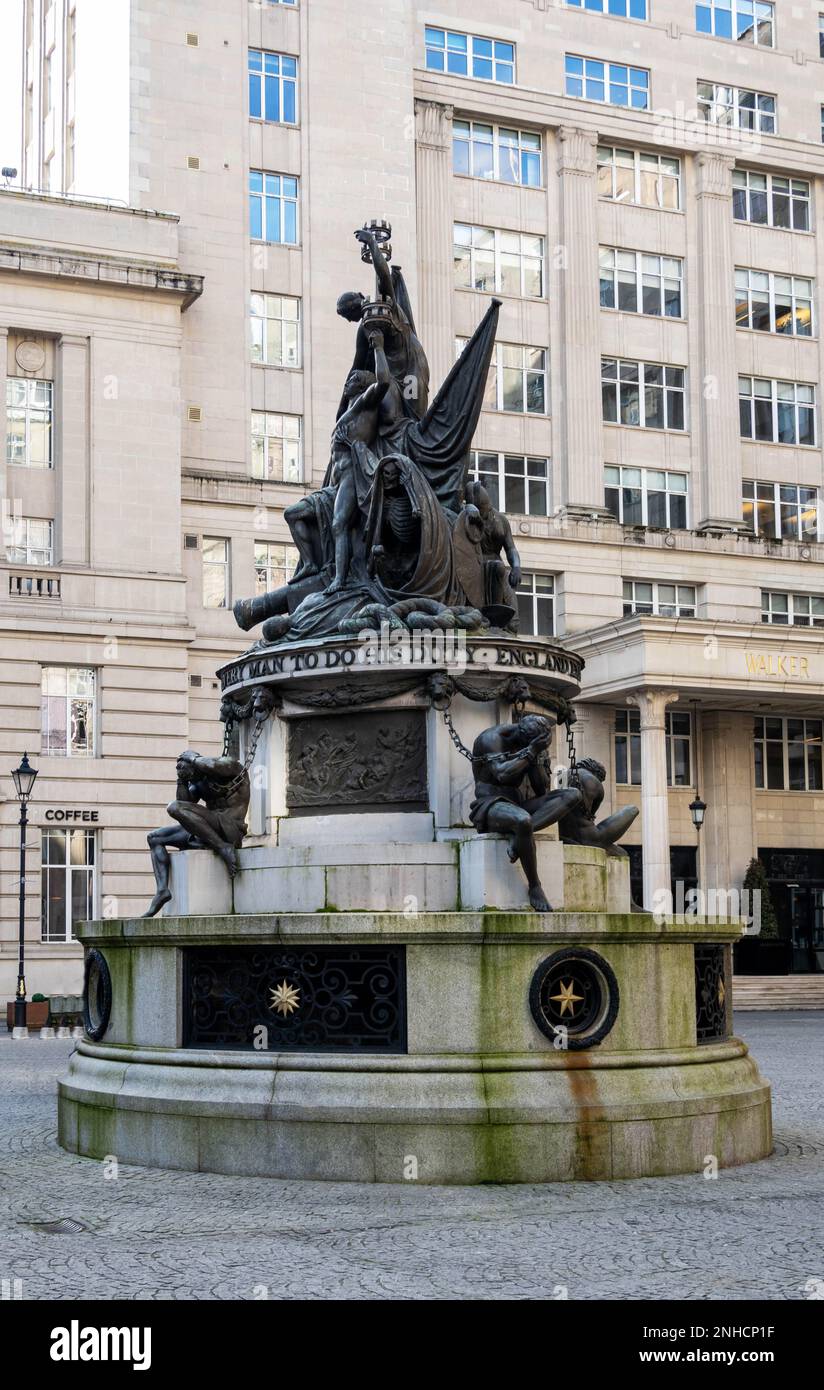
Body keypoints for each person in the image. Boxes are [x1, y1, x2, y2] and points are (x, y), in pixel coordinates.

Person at [469, 716, 582, 913]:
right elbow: (502, 774)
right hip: (490, 804)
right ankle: (535, 886)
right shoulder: (492, 739)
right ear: (520, 736)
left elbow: (540, 790)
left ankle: (519, 837)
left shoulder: (532, 747)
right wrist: (531, 751)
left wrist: (537, 758)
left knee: (572, 794)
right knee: (522, 820)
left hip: (519, 803)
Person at [142, 751, 250, 918]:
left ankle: (223, 848)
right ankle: (162, 890)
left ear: (198, 765)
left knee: (173, 807)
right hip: (210, 827)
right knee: (155, 838)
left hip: (231, 828)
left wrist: (191, 758)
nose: (191, 779)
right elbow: (184, 804)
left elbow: (213, 766)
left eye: (189, 773)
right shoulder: (200, 784)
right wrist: (181, 780)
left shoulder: (231, 767)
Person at [558, 757, 639, 856]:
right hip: (590, 838)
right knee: (632, 809)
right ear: (597, 773)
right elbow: (591, 815)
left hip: (565, 836)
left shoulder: (563, 776)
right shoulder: (595, 783)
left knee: (621, 853)